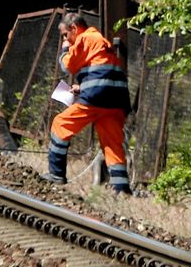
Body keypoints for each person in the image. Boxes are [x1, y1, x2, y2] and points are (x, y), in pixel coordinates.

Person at [42, 11, 132, 194]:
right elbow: (104, 73)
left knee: (60, 124)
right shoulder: (100, 42)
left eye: (66, 35)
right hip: (117, 100)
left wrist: (65, 50)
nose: (66, 39)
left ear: (74, 28)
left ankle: (56, 175)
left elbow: (68, 65)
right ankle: (121, 188)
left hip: (97, 97)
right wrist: (81, 88)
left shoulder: (85, 38)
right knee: (112, 142)